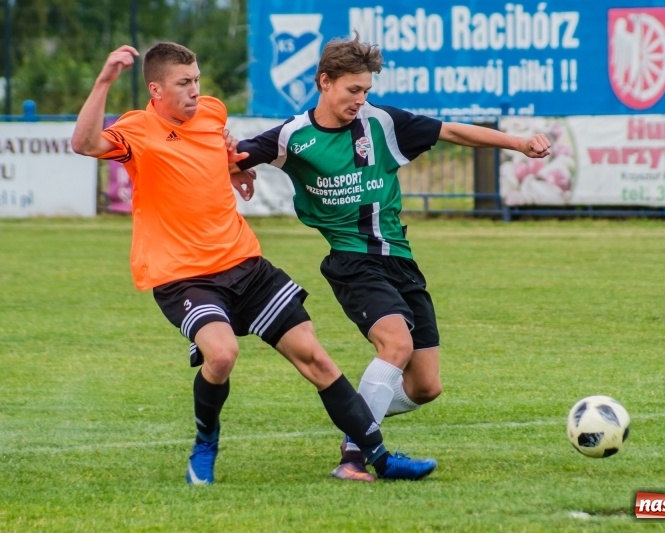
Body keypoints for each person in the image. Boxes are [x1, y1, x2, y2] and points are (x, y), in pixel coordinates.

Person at [70, 42, 437, 485]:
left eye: (197, 80)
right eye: (184, 83)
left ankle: (377, 458)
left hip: (245, 263)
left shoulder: (212, 112)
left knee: (317, 360)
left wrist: (236, 169)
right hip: (183, 276)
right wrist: (105, 79)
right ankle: (205, 443)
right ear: (156, 89)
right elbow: (84, 143)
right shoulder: (136, 130)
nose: (194, 90)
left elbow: (217, 156)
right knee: (222, 354)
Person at [232, 34, 552, 482]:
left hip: (400, 259)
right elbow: (228, 158)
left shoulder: (381, 122)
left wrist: (518, 143)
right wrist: (238, 167)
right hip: (352, 261)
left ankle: (357, 421)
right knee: (395, 345)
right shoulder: (293, 136)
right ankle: (354, 457)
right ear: (325, 82)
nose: (360, 100)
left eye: (366, 91)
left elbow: (453, 131)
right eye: (352, 90)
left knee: (426, 386)